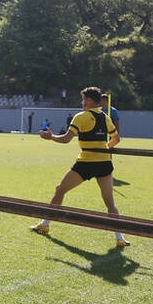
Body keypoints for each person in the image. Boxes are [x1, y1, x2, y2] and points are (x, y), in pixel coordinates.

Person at [30, 86, 129, 248]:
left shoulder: (80, 117)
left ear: (89, 100)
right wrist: (105, 147)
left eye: (83, 99)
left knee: (60, 190)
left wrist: (51, 137)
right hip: (104, 163)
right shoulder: (106, 117)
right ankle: (120, 237)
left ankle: (45, 224)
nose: (82, 102)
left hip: (86, 163)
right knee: (110, 202)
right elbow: (116, 139)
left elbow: (65, 139)